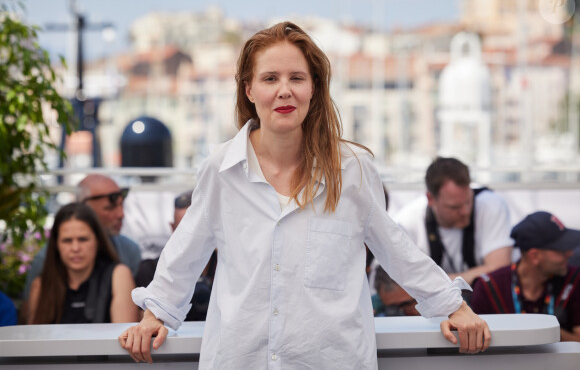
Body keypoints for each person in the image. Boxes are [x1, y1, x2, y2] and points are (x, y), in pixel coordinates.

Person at [118, 22, 490, 368]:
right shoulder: (221, 168)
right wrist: (154, 315)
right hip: (240, 358)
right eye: (270, 78)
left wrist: (452, 306)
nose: (285, 90)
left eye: (297, 77)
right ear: (249, 89)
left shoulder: (353, 168)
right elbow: (185, 252)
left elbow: (396, 248)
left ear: (314, 88)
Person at [393, 156, 513, 284]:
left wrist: (434, 283)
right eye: (454, 207)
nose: (465, 211)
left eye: (468, 201)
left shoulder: (491, 205)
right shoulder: (407, 222)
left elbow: (499, 270)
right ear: (430, 199)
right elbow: (400, 283)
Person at [24, 174, 142, 300]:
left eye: (122, 205)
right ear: (82, 209)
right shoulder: (47, 258)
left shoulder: (129, 250)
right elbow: (30, 313)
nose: (121, 214)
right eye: (109, 208)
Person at [471, 211, 580, 342]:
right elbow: (477, 345)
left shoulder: (574, 279)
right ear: (534, 256)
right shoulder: (488, 287)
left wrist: (543, 330)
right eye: (561, 250)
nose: (569, 253)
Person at [27, 203, 139, 324]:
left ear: (97, 241)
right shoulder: (40, 285)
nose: (75, 248)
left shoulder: (119, 276)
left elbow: (125, 338)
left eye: (83, 239)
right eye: (67, 240)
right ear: (56, 245)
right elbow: (35, 339)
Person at [135, 190, 217, 321]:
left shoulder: (227, 267)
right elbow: (145, 324)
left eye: (198, 230)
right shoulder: (150, 270)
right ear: (172, 228)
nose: (191, 238)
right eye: (183, 230)